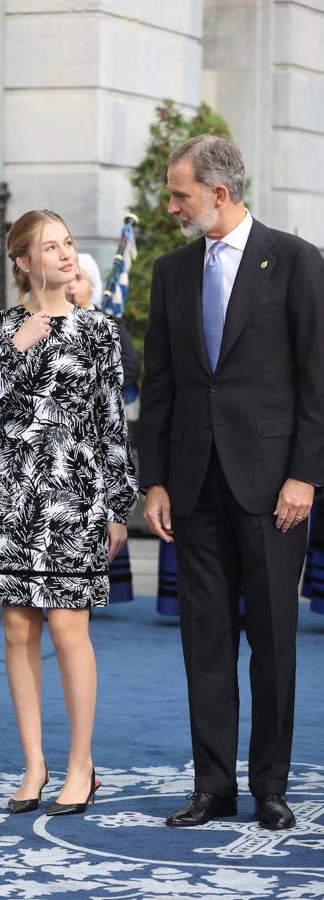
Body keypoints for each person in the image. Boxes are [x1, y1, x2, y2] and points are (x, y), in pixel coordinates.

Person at [139, 135, 324, 831]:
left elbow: (318, 380)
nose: (172, 205)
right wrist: (154, 481)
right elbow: (160, 383)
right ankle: (212, 787)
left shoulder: (299, 261)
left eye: (180, 194)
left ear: (219, 193)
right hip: (193, 487)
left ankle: (270, 787)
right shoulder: (171, 270)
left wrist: (305, 474)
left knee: (274, 643)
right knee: (204, 642)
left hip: (276, 486)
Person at [0, 209, 137, 816]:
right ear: (23, 261)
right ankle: (34, 763)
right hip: (13, 496)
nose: (66, 255)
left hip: (74, 498)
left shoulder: (99, 332)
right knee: (18, 629)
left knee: (68, 628)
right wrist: (15, 348)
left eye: (69, 243)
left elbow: (113, 425)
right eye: (51, 246)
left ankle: (81, 765)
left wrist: (118, 504)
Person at [67, 252, 141, 605]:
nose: (71, 285)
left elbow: (130, 365)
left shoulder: (108, 324)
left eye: (79, 279)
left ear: (93, 285)